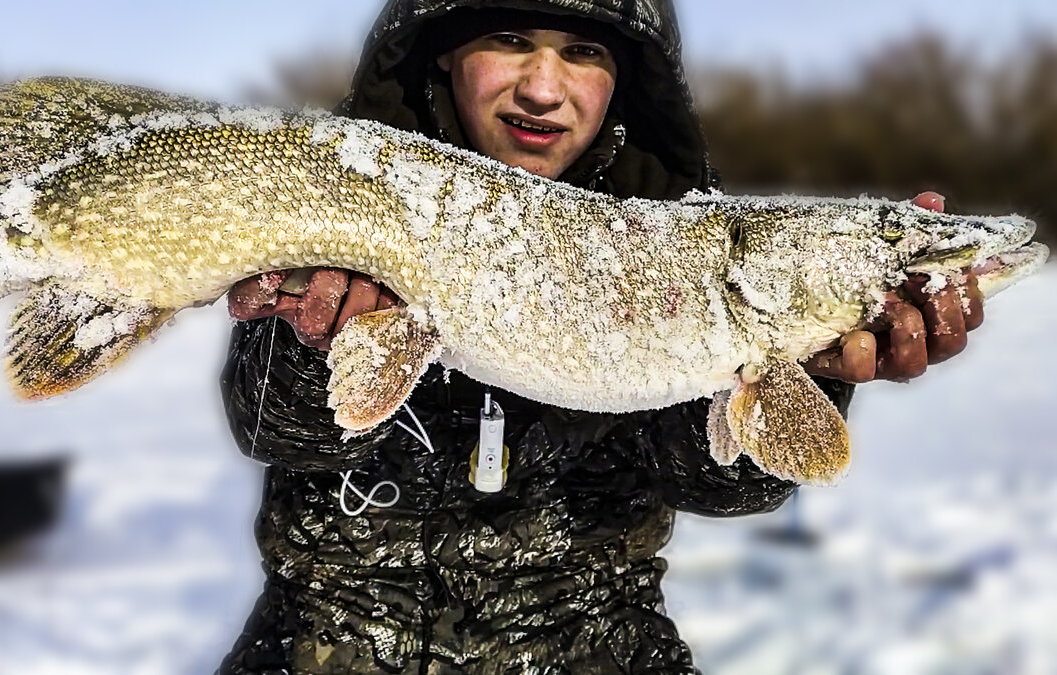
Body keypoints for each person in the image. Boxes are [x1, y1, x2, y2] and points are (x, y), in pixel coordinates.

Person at [217, 1, 984, 672]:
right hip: (326, 638)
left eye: (583, 53)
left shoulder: (677, 225)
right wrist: (312, 340)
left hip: (593, 642)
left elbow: (721, 484)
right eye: (512, 39)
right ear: (444, 45)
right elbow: (272, 428)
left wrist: (812, 365)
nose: (544, 89)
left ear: (626, 73)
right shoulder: (338, 175)